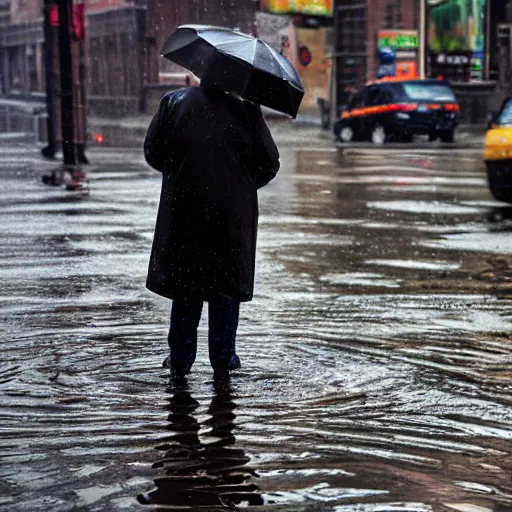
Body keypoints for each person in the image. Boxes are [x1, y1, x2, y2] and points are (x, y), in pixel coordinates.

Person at [144, 85, 280, 378]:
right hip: (230, 220)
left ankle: (180, 362)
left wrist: (185, 174)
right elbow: (270, 164)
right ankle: (223, 361)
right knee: (224, 290)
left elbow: (153, 152)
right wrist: (235, 186)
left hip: (185, 214)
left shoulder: (173, 102)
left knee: (186, 289)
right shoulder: (247, 109)